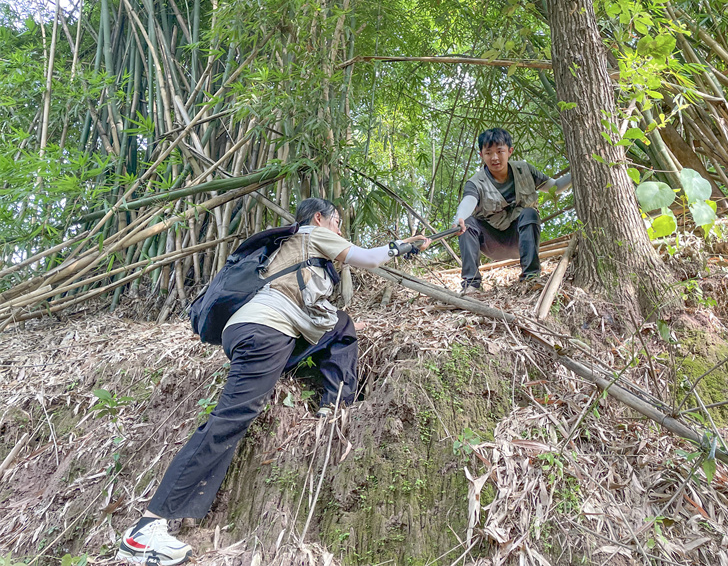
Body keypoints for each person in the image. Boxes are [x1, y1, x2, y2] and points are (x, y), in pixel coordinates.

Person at [116, 198, 430, 565]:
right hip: (266, 332)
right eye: (338, 222)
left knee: (342, 326)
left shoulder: (291, 250)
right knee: (229, 420)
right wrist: (404, 246)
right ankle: (147, 527)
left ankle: (335, 406)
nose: (340, 230)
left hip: (256, 330)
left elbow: (322, 315)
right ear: (319, 218)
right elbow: (369, 258)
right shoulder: (312, 234)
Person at [453, 128, 571, 295]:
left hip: (520, 237)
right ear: (481, 155)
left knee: (530, 213)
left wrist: (578, 172)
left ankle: (530, 277)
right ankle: (471, 284)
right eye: (488, 153)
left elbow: (556, 187)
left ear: (509, 151)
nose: (494, 158)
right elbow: (468, 201)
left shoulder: (525, 170)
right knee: (468, 223)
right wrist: (460, 218)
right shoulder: (475, 182)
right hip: (491, 241)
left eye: (500, 151)